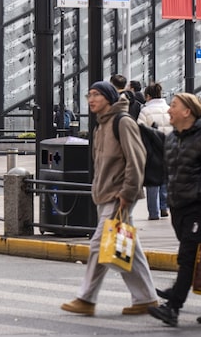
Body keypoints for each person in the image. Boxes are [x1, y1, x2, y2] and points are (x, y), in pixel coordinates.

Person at [61, 81, 157, 317]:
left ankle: (86, 298)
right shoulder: (100, 126)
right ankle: (146, 298)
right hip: (105, 194)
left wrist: (127, 192)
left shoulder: (122, 122)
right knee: (127, 247)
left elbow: (136, 159)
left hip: (118, 194)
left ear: (109, 97)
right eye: (89, 95)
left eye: (97, 95)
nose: (91, 99)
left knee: (98, 244)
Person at [148, 93, 201, 327]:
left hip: (199, 207)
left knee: (187, 256)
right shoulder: (172, 139)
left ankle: (173, 306)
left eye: (174, 106)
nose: (169, 110)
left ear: (187, 112)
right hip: (178, 208)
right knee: (198, 255)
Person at [138, 81, 173, 220]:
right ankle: (164, 207)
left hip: (152, 149)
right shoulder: (169, 109)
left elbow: (140, 130)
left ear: (148, 96)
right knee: (165, 177)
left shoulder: (145, 111)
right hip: (168, 147)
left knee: (152, 180)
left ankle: (154, 212)